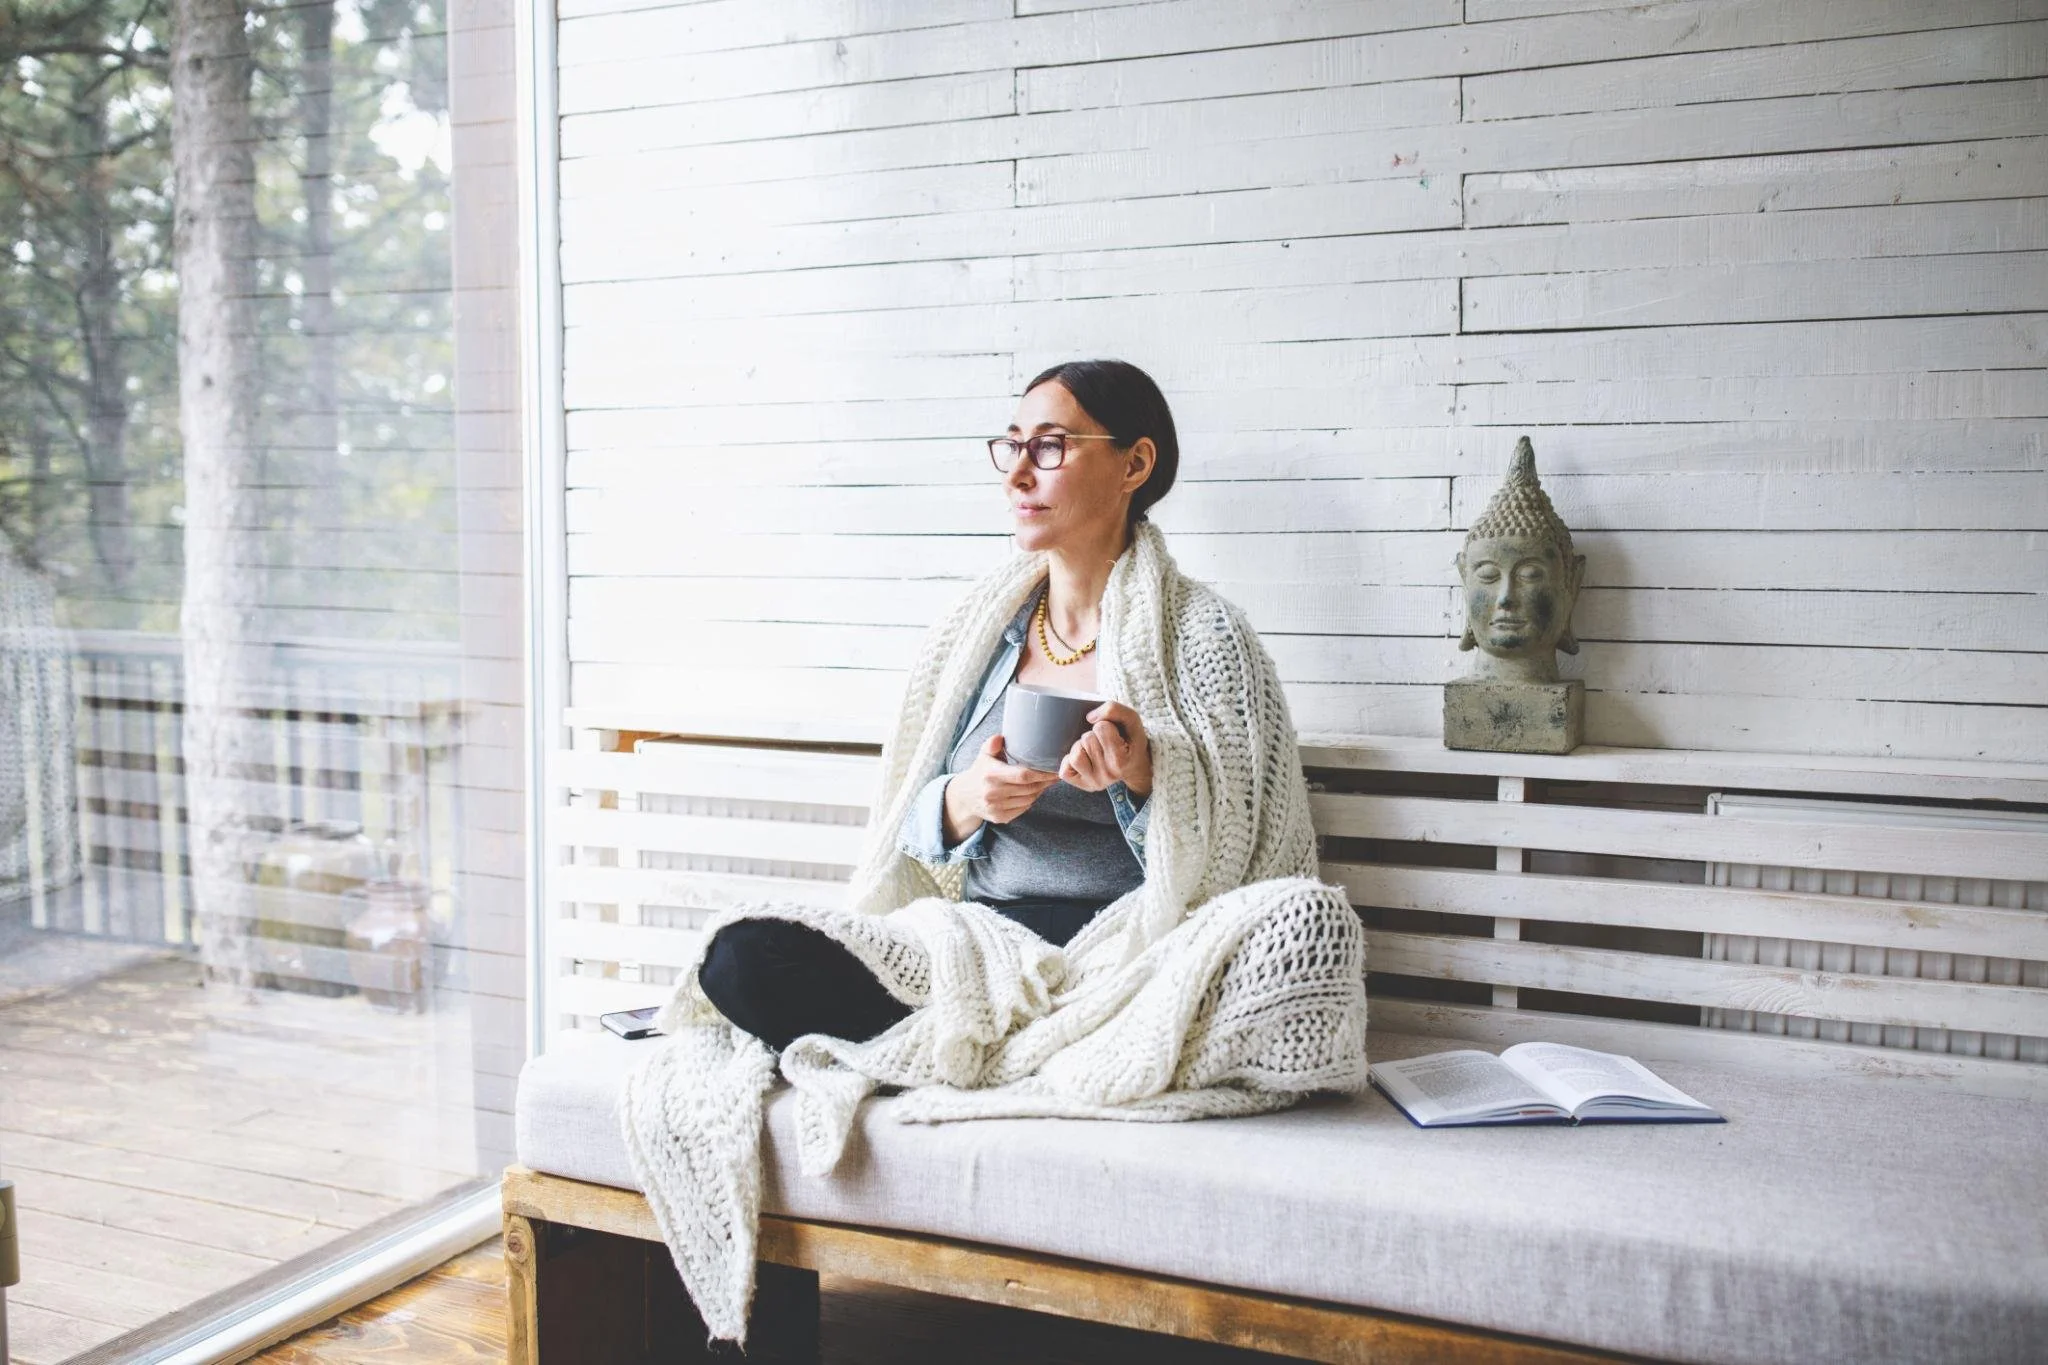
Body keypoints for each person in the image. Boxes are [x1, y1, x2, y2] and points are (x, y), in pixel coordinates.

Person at [697, 358, 1183, 1052]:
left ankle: (989, 1045)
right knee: (740, 956)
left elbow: (1234, 845)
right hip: (980, 942)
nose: (1018, 473)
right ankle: (1003, 1043)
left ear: (1134, 464)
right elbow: (906, 827)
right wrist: (967, 799)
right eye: (1012, 446)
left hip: (1130, 949)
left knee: (1303, 925)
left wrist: (1141, 775)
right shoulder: (976, 632)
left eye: (1048, 447)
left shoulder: (1200, 638)